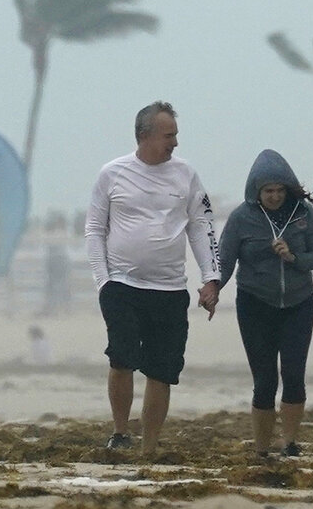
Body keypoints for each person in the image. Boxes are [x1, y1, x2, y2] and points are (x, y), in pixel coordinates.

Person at [85, 100, 221, 454]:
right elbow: (94, 229)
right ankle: (120, 431)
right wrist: (104, 282)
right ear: (144, 136)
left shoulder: (186, 175)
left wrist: (211, 278)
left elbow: (202, 225)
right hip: (122, 286)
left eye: (176, 135)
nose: (175, 143)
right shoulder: (112, 173)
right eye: (169, 135)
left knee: (162, 370)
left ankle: (149, 445)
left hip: (170, 289)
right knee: (123, 358)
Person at [217, 149, 313, 458]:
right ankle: (262, 448)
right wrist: (212, 289)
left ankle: (290, 443)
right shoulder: (242, 217)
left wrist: (293, 257)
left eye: (280, 190)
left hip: (298, 303)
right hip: (255, 304)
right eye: (268, 191)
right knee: (264, 380)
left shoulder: (303, 214)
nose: (275, 197)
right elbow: (225, 262)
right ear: (256, 191)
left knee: (293, 376)